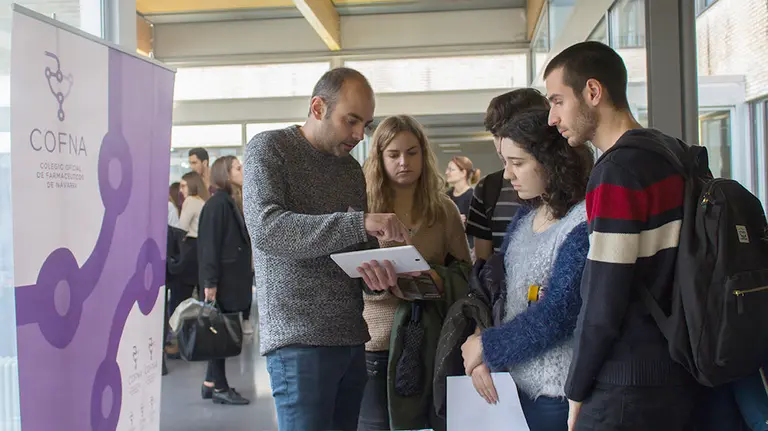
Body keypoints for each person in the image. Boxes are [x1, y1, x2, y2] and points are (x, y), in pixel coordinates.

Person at [243, 67, 410, 431]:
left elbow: (353, 248)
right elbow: (268, 230)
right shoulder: (270, 149)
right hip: (298, 340)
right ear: (318, 107)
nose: (358, 135)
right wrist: (359, 222)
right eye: (350, 121)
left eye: (364, 124)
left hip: (352, 337)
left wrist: (378, 272)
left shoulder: (351, 171)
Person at [544, 41, 699, 430]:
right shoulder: (674, 155)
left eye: (558, 101)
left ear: (593, 92)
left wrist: (577, 388)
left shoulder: (616, 172)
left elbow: (603, 298)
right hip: (681, 373)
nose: (552, 117)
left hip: (626, 384)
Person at [460, 109, 593, 430]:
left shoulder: (584, 222)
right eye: (506, 162)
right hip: (509, 385)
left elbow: (559, 313)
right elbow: (498, 292)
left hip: (557, 394)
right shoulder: (527, 215)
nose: (507, 175)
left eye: (517, 163)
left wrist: (486, 347)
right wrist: (481, 345)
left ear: (551, 162)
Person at [357, 115, 472, 431]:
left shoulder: (443, 208)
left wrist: (433, 277)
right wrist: (377, 283)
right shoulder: (363, 208)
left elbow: (464, 271)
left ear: (424, 154)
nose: (404, 162)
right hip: (375, 344)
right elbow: (344, 273)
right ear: (379, 158)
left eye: (412, 152)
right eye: (393, 155)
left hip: (429, 341)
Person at [466, 89, 551, 261]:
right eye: (496, 135)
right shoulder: (489, 189)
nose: (501, 145)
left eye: (511, 133)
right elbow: (485, 268)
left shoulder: (577, 188)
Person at [198, 155, 252, 406]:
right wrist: (210, 285)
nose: (243, 171)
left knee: (218, 331)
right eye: (238, 168)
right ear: (226, 174)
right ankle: (219, 387)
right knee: (219, 334)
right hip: (222, 284)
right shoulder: (217, 205)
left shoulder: (228, 202)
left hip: (230, 282)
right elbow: (208, 247)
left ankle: (211, 381)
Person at [445, 156, 480, 224]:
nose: (446, 172)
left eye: (451, 169)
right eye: (447, 169)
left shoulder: (473, 197)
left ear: (463, 173)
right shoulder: (446, 196)